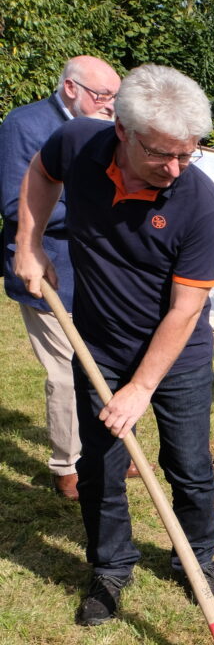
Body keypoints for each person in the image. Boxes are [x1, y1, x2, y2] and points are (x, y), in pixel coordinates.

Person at [14, 64, 214, 626]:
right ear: (122, 132)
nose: (176, 167)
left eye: (188, 153)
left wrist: (140, 387)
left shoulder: (201, 204)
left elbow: (186, 310)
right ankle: (110, 568)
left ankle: (197, 559)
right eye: (162, 153)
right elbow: (41, 172)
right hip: (100, 343)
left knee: (187, 463)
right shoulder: (80, 141)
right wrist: (28, 243)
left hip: (176, 354)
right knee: (101, 466)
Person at [1, 56, 122, 500]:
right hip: (47, 267)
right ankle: (67, 466)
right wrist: (98, 211)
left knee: (102, 364)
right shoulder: (25, 125)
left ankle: (106, 453)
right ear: (71, 88)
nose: (110, 105)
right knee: (65, 372)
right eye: (103, 96)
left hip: (97, 271)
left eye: (114, 97)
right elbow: (18, 206)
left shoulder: (106, 129)